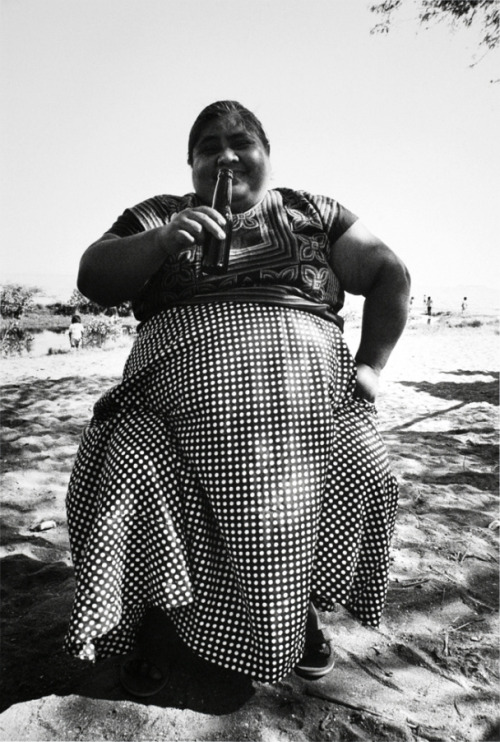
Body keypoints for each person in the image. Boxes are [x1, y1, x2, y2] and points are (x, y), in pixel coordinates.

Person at [64, 100, 411, 696]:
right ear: (192, 163)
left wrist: (371, 369)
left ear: (265, 155)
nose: (225, 154)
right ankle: (148, 623)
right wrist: (163, 242)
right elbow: (93, 276)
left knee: (366, 462)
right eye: (207, 146)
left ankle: (294, 612)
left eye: (241, 141)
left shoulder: (312, 212)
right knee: (126, 461)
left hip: (307, 408)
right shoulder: (160, 215)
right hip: (172, 401)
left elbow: (390, 276)